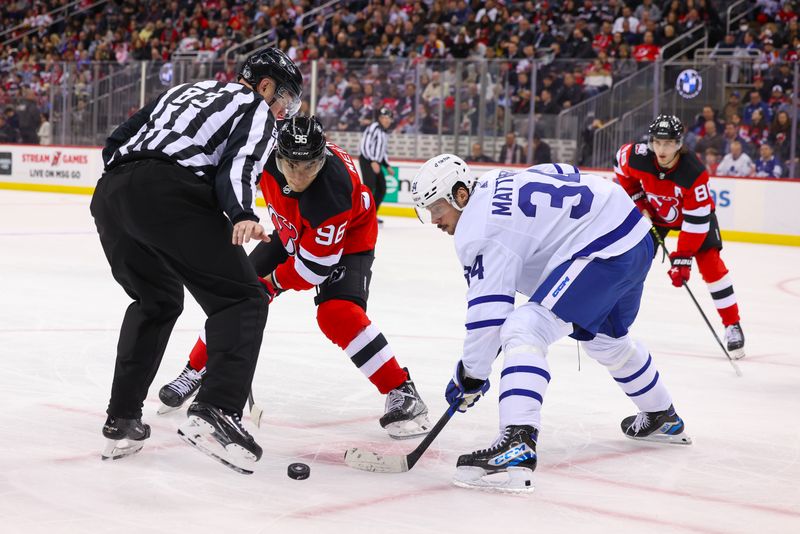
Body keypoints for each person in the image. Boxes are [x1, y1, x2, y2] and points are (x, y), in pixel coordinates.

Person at [411, 155, 690, 493]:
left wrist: (471, 375)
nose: (434, 219)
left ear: (460, 195)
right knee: (607, 339)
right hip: (633, 234)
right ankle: (662, 415)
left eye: (437, 208)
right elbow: (564, 172)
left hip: (604, 251)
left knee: (525, 327)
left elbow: (489, 315)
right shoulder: (494, 178)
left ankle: (517, 442)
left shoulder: (478, 229)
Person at [90, 47, 302, 474]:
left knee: (156, 301)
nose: (282, 110)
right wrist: (241, 212)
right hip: (169, 193)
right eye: (283, 98)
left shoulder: (184, 90)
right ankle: (217, 411)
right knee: (242, 300)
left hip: (111, 194)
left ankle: (123, 419)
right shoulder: (253, 106)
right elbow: (238, 163)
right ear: (263, 85)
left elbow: (118, 138)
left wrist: (130, 181)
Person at [158, 116, 431, 439]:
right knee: (235, 296)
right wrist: (244, 215)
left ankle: (402, 390)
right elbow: (232, 178)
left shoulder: (332, 192)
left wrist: (271, 283)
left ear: (322, 160)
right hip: (291, 231)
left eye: (309, 167)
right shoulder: (263, 157)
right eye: (291, 166)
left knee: (336, 314)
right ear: (277, 156)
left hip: (349, 240)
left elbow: (313, 268)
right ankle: (196, 368)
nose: (299, 176)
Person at [615, 115, 745, 358]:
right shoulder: (637, 156)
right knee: (629, 259)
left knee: (711, 266)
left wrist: (683, 258)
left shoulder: (694, 173)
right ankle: (608, 316)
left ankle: (732, 324)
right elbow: (620, 169)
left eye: (668, 144)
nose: (661, 150)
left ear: (679, 144)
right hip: (656, 215)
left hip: (693, 218)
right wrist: (639, 201)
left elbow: (696, 221)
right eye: (657, 143)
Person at [359, 106, 393, 223]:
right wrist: (373, 161)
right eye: (384, 118)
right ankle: (361, 216)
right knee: (369, 188)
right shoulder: (374, 127)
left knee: (382, 188)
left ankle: (371, 214)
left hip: (375, 162)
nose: (386, 120)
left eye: (388, 118)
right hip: (367, 160)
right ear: (380, 118)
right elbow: (364, 145)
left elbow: (382, 151)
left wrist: (387, 165)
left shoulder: (384, 132)